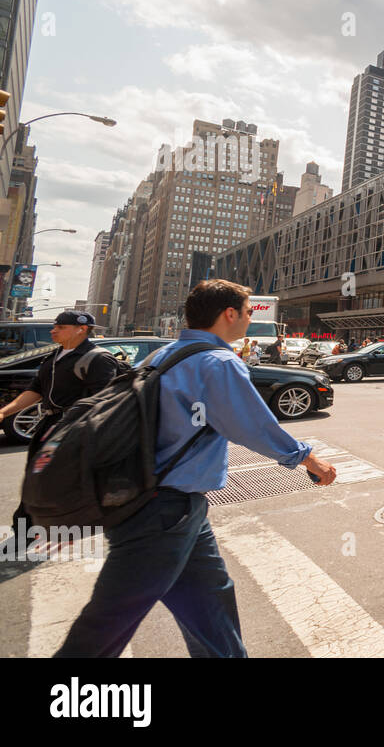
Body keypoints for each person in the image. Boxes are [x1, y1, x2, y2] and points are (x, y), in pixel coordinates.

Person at [52, 280, 338, 657]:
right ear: (229, 314)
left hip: (175, 506)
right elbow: (252, 425)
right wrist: (309, 459)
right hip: (160, 509)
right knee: (106, 624)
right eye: (250, 311)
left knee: (210, 604)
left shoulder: (163, 355)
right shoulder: (218, 362)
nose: (251, 319)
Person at [1, 310, 121, 530]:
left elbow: (104, 401)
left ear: (81, 329)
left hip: (73, 431)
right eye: (55, 326)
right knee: (36, 477)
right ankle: (34, 530)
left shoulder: (99, 359)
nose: (53, 330)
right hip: (48, 426)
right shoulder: (53, 357)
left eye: (61, 327)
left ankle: (29, 531)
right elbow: (35, 391)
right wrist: (5, 412)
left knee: (45, 481)